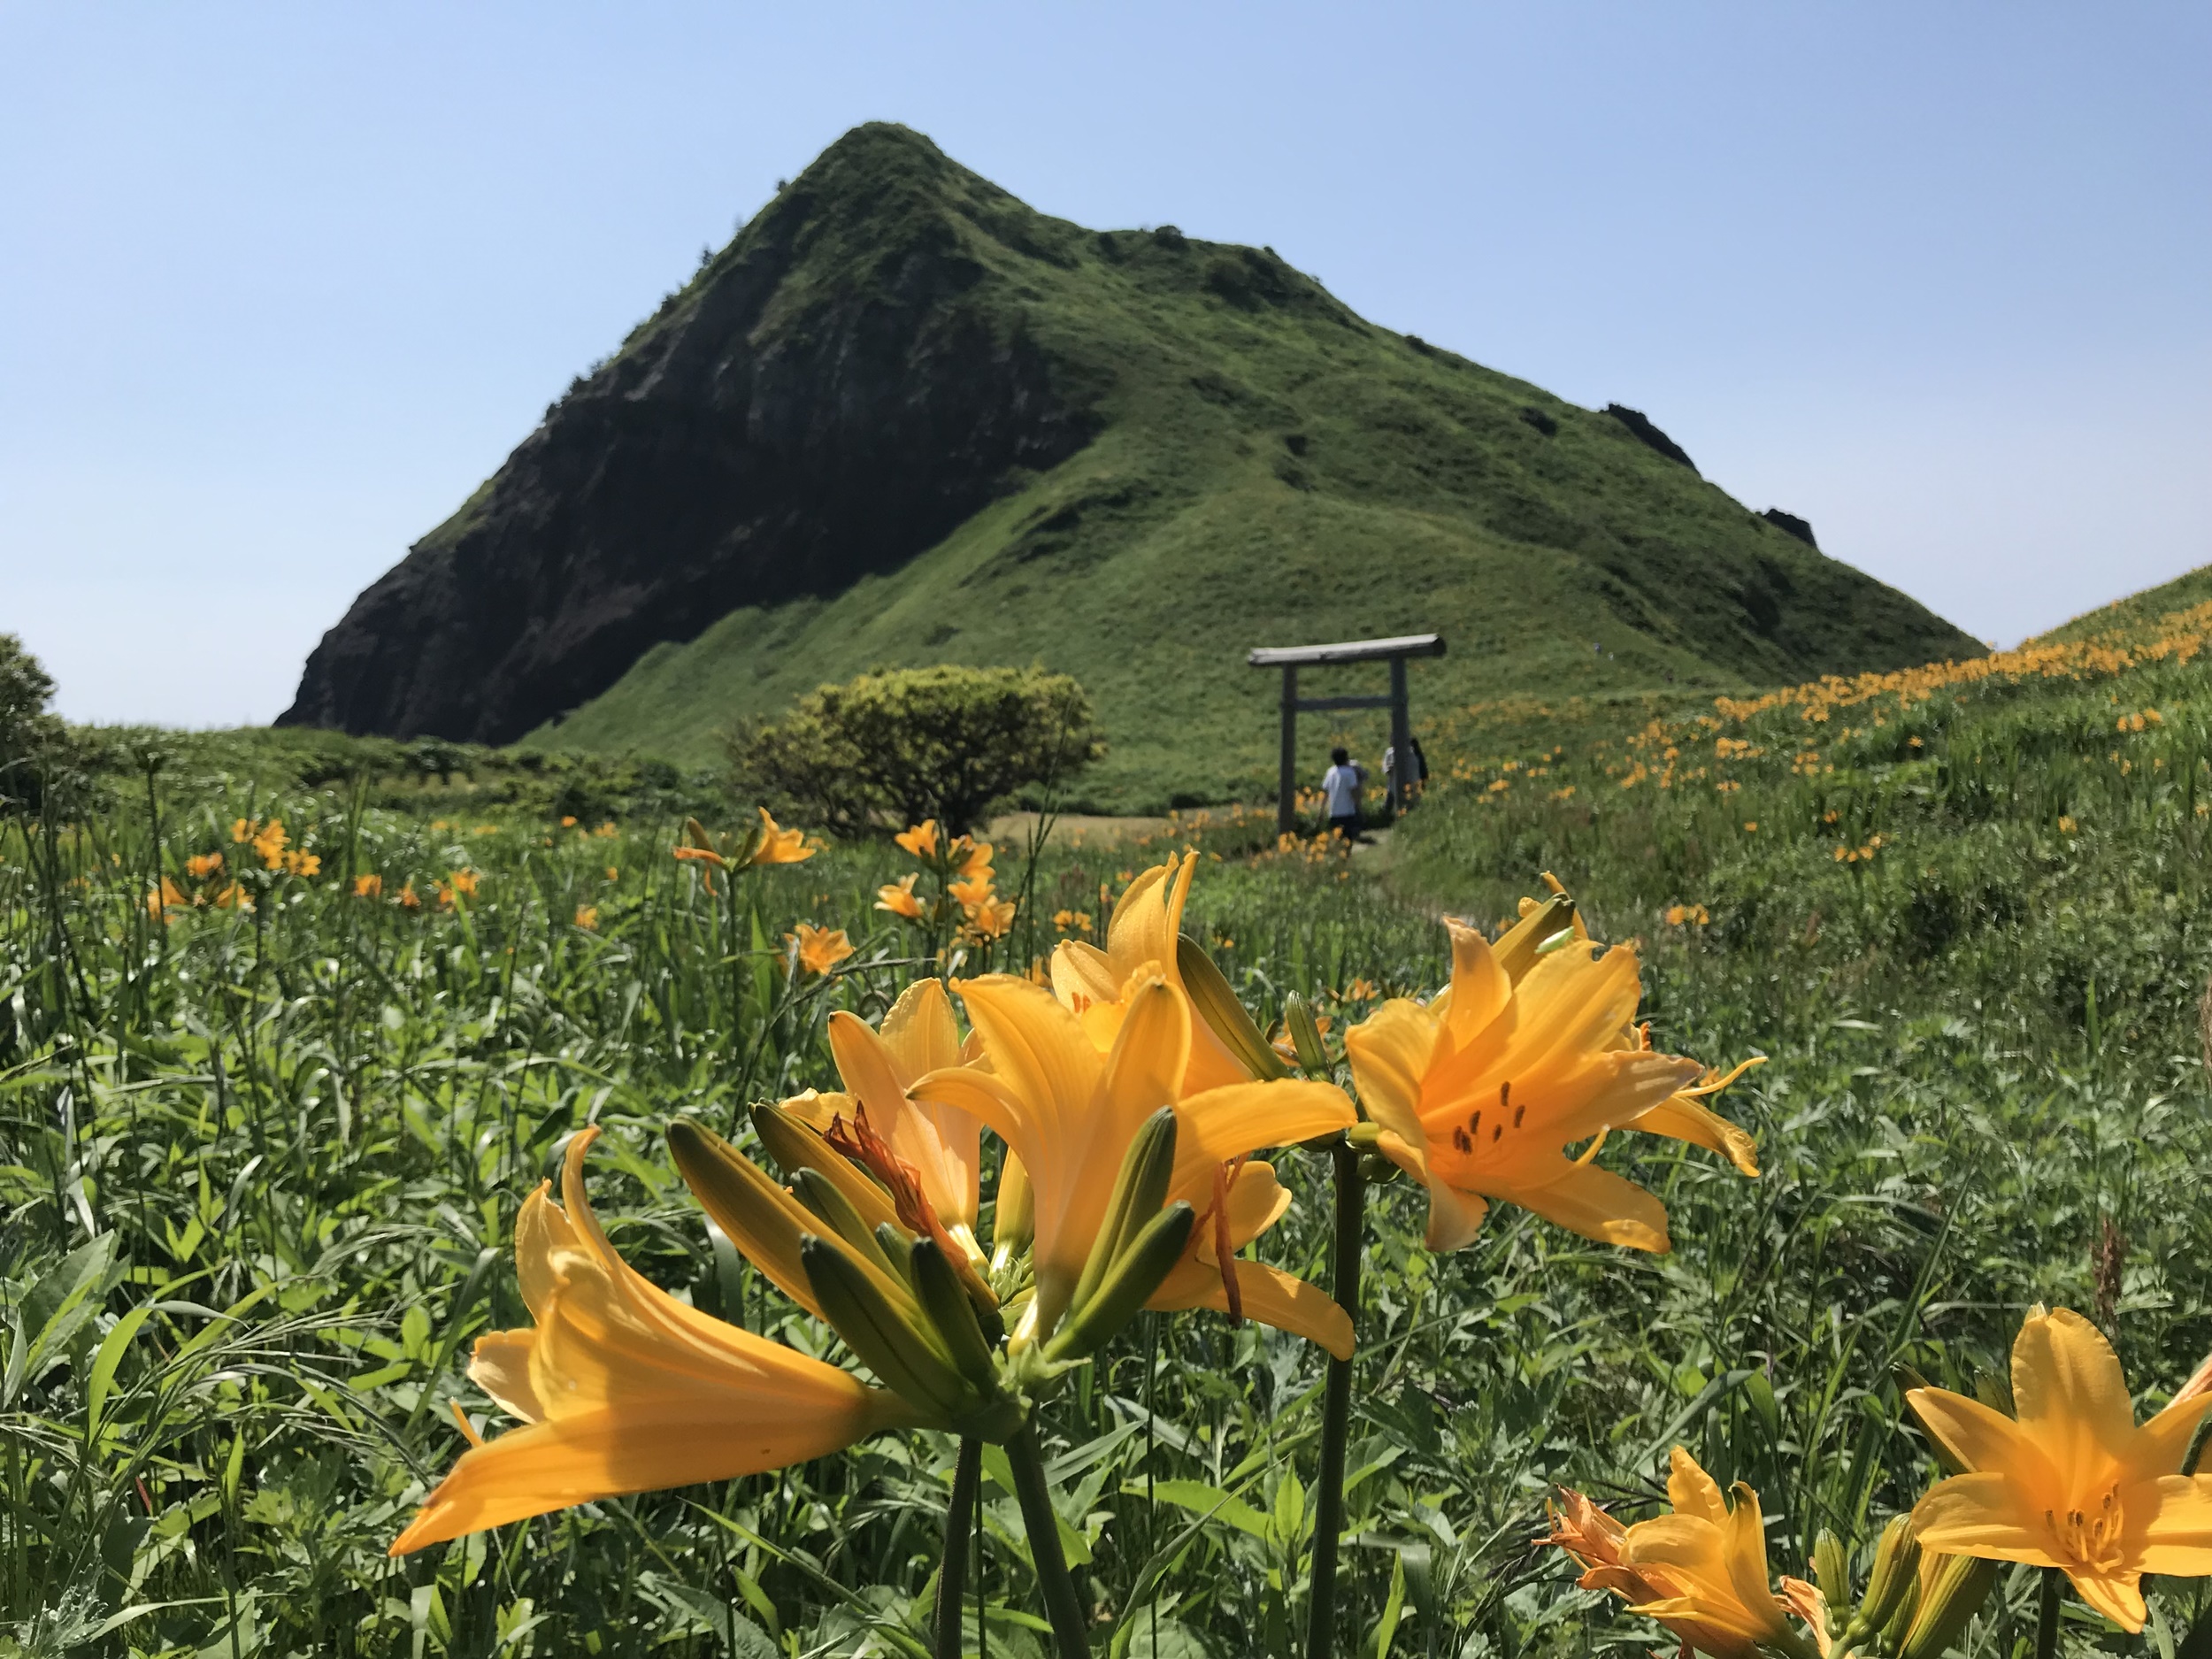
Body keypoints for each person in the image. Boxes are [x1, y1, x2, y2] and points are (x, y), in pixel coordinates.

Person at [1322, 747, 1365, 842]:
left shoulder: (1330, 772)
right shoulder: (1350, 773)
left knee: (1337, 840)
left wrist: (1322, 811)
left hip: (1333, 812)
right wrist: (1358, 807)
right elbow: (1354, 791)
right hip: (1348, 812)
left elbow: (1325, 793)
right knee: (1348, 840)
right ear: (1346, 758)